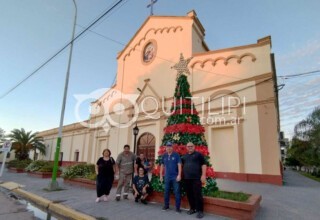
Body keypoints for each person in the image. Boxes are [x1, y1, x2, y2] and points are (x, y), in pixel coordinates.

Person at [182, 142, 207, 219]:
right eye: (188, 146)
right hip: (187, 179)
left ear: (194, 146)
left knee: (197, 195)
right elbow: (181, 165)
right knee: (189, 194)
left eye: (191, 146)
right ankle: (192, 208)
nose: (190, 147)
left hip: (196, 178)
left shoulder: (199, 155)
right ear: (186, 147)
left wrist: (203, 175)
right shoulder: (184, 157)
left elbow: (204, 164)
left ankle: (200, 211)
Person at [160, 141, 182, 213]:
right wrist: (161, 175)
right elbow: (162, 166)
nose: (168, 148)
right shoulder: (164, 155)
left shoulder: (176, 155)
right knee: (166, 192)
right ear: (166, 148)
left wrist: (179, 175)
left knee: (177, 192)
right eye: (167, 147)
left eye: (170, 146)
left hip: (175, 177)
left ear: (172, 147)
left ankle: (178, 208)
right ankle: (166, 206)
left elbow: (179, 165)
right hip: (167, 177)